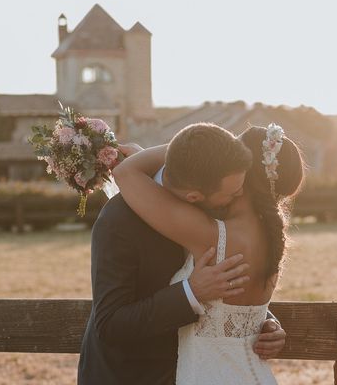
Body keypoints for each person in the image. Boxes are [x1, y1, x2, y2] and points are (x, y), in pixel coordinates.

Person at [77, 123, 288, 385]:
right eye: (233, 192)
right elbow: (110, 324)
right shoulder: (119, 219)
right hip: (130, 375)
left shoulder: (215, 207)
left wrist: (260, 322)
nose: (239, 195)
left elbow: (227, 281)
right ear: (193, 196)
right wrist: (191, 293)